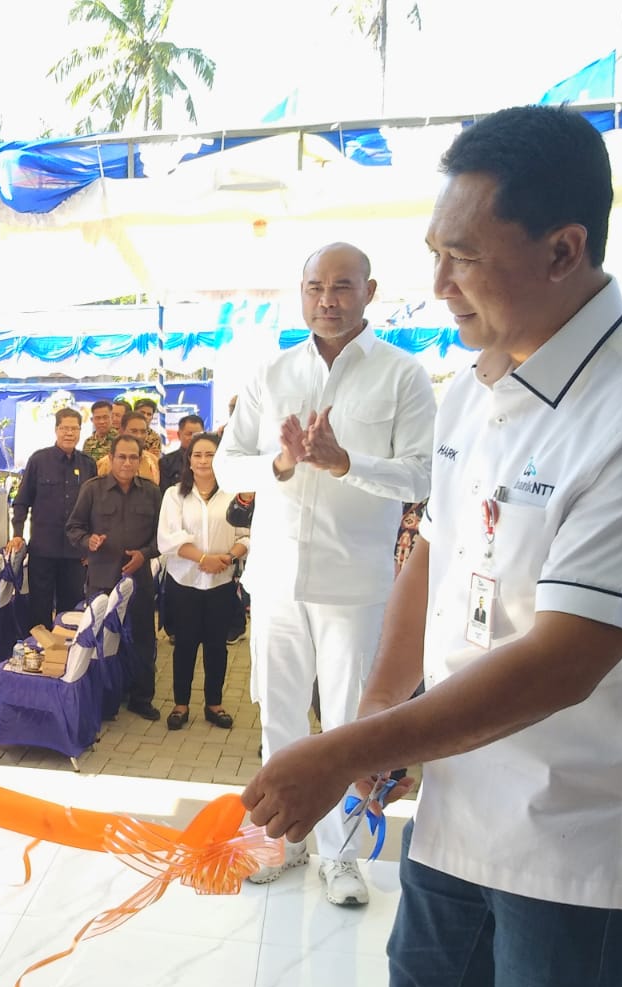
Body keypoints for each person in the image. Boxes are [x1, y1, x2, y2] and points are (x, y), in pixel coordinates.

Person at [241, 105, 622, 987]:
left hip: (582, 816)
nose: (437, 285)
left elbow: (566, 659)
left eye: (463, 258)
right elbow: (434, 549)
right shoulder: (477, 383)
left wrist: (344, 748)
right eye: (434, 253)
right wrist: (373, 715)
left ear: (564, 250)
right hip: (465, 788)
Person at [217, 240, 434, 907]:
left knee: (345, 724)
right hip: (277, 575)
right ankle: (279, 840)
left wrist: (346, 463)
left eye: (342, 286)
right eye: (315, 287)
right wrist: (279, 468)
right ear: (301, 291)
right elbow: (230, 465)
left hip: (356, 583)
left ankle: (341, 856)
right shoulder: (271, 372)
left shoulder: (403, 375)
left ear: (371, 290)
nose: (328, 300)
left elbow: (425, 474)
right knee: (278, 713)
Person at [157, 432, 249, 731]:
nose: (203, 460)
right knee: (184, 645)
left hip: (221, 582)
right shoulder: (175, 495)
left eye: (210, 454)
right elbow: (168, 539)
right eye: (197, 455)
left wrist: (229, 557)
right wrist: (202, 559)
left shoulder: (234, 494)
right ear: (189, 460)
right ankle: (181, 704)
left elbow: (247, 534)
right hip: (184, 581)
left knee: (216, 647)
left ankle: (214, 704)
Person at [68, 432, 162, 721]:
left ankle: (141, 698)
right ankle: (104, 697)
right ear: (110, 459)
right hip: (102, 578)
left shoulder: (151, 492)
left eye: (133, 457)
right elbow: (73, 528)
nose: (127, 463)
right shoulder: (92, 490)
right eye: (121, 456)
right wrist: (88, 542)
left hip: (139, 579)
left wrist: (144, 554)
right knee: (100, 640)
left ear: (141, 460)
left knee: (143, 640)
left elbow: (163, 537)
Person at [7, 406, 88, 630]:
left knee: (71, 610)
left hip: (75, 553)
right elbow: (22, 501)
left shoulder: (87, 465)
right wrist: (17, 534)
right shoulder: (39, 460)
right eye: (65, 428)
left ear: (80, 431)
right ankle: (38, 654)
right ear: (56, 430)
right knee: (39, 607)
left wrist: (89, 548)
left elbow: (94, 510)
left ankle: (66, 658)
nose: (69, 433)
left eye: (74, 428)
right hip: (43, 550)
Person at [96, 410, 160, 484]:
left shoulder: (154, 461)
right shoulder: (106, 464)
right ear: (122, 432)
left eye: (143, 432)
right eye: (134, 431)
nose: (139, 436)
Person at [160, 413, 206, 497]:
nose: (193, 438)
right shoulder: (166, 462)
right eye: (189, 434)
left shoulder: (211, 461)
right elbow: (164, 493)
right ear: (179, 435)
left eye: (197, 435)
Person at [81, 398, 116, 463]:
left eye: (105, 417)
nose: (101, 422)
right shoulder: (88, 442)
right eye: (97, 418)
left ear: (112, 417)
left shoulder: (119, 440)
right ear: (92, 420)